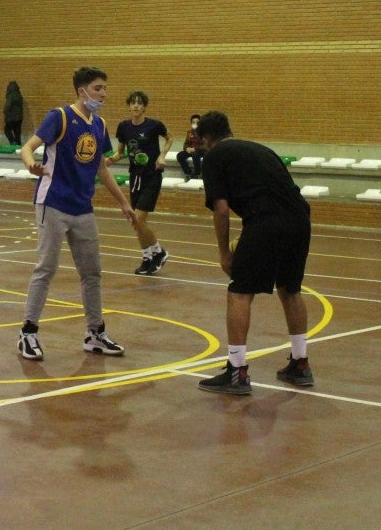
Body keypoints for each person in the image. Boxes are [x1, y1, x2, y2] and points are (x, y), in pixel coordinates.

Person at [17, 67, 135, 361]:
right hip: (53, 203)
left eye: (105, 88)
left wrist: (123, 201)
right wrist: (31, 163)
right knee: (46, 268)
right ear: (82, 91)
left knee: (92, 272)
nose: (103, 94)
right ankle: (27, 333)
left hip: (83, 208)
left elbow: (101, 169)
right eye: (98, 88)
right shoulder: (59, 117)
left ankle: (95, 333)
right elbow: (27, 148)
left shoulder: (99, 124)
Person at [195, 110, 314, 395]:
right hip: (300, 219)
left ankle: (236, 371)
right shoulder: (261, 149)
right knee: (290, 288)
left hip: (266, 221)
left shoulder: (214, 156)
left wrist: (224, 252)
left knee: (239, 292)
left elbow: (221, 210)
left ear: (205, 139)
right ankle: (300, 364)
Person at [105, 91, 172, 276]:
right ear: (129, 106)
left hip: (152, 176)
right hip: (135, 177)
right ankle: (147, 257)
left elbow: (170, 138)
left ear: (144, 107)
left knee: (138, 218)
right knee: (136, 222)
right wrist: (110, 160)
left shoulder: (154, 125)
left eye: (139, 103)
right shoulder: (124, 127)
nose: (135, 106)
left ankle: (159, 252)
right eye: (133, 103)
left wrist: (162, 155)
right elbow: (121, 152)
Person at [176, 114, 205, 180]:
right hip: (191, 151)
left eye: (197, 122)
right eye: (193, 122)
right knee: (180, 155)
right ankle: (188, 173)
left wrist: (195, 149)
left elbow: (205, 145)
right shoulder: (189, 133)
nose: (195, 124)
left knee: (195, 154)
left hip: (201, 151)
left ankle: (198, 174)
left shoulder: (204, 133)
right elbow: (185, 144)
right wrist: (187, 148)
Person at [3, 80, 24, 146]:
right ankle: (19, 144)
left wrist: (4, 111)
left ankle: (12, 142)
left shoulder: (11, 95)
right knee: (17, 132)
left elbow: (8, 104)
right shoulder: (19, 95)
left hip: (11, 117)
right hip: (19, 117)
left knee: (7, 129)